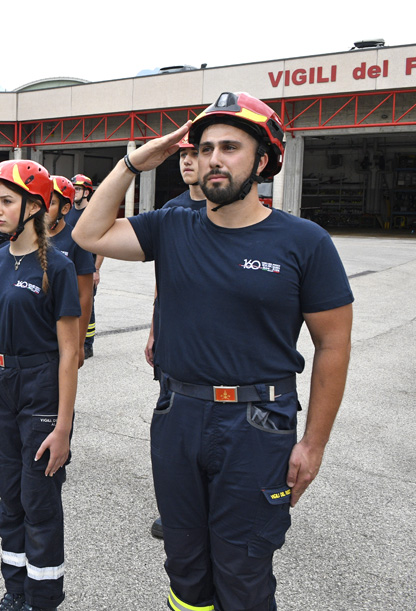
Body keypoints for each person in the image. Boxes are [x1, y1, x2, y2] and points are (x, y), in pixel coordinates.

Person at [72, 92, 353, 611]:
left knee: (243, 570)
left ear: (263, 161)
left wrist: (312, 445)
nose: (212, 160)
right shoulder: (172, 226)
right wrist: (135, 161)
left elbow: (333, 345)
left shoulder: (304, 242)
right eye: (203, 148)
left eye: (229, 147)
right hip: (179, 415)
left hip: (258, 425)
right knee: (184, 565)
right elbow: (87, 233)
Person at [0, 160, 80, 611]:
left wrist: (62, 427)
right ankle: (15, 590)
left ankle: (43, 598)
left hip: (40, 388)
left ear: (34, 207)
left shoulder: (57, 267)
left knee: (39, 501)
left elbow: (71, 353)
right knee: (9, 497)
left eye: (7, 201)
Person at [143, 136, 205, 541]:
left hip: (205, 336)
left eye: (192, 154)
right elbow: (162, 279)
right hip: (171, 332)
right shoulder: (172, 210)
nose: (186, 161)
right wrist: (153, 327)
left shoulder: (227, 210)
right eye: (181, 155)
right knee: (172, 418)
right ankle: (176, 505)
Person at [48, 175, 94, 367]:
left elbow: (84, 295)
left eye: (50, 203)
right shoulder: (29, 238)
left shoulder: (76, 241)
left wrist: (80, 344)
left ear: (65, 208)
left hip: (63, 325)